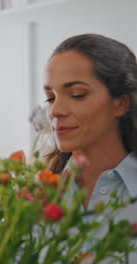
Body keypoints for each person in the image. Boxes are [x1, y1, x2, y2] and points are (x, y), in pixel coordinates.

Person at [44, 33, 137, 260]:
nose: (55, 110)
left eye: (77, 95)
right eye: (50, 98)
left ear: (121, 103)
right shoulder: (37, 198)